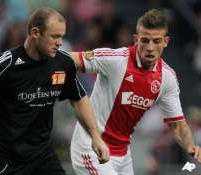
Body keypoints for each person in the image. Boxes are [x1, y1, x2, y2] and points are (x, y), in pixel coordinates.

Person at [0, 7, 110, 175]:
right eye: (55, 36)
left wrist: (96, 137)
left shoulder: (62, 63)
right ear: (35, 32)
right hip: (2, 159)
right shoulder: (4, 65)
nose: (60, 42)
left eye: (62, 36)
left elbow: (79, 98)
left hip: (42, 156)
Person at [69, 9, 201, 175]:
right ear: (136, 39)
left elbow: (178, 125)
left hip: (123, 154)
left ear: (166, 41)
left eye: (156, 41)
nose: (150, 47)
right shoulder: (116, 60)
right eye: (145, 40)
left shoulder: (167, 78)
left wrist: (192, 148)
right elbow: (69, 59)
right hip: (91, 147)